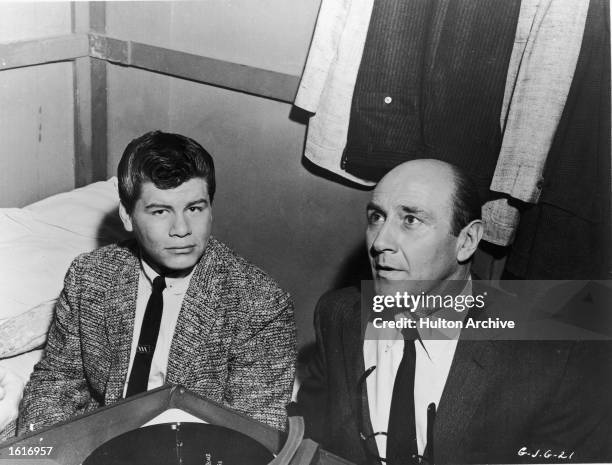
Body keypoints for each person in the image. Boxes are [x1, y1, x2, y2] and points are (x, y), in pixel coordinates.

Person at [298, 159, 612, 464]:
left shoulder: (551, 356)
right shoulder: (337, 314)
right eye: (377, 217)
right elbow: (311, 433)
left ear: (467, 241)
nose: (380, 242)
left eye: (411, 220)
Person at [17, 131, 296, 434]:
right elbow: (56, 381)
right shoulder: (89, 276)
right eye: (161, 211)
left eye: (194, 208)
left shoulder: (259, 301)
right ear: (127, 216)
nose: (181, 229)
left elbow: (253, 433)